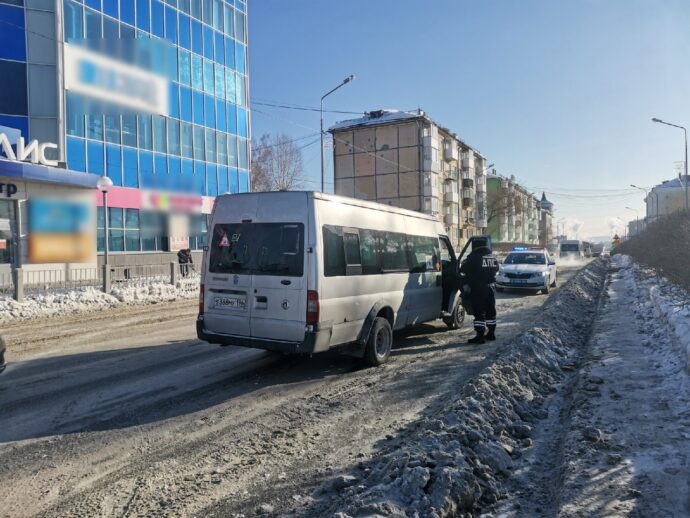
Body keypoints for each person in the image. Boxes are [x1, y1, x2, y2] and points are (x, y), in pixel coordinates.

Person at [460, 238, 499, 344]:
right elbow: (496, 269)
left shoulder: (474, 256)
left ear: (475, 246)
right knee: (490, 311)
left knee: (479, 311)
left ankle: (480, 336)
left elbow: (464, 269)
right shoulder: (491, 256)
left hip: (479, 288)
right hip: (491, 287)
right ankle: (491, 334)